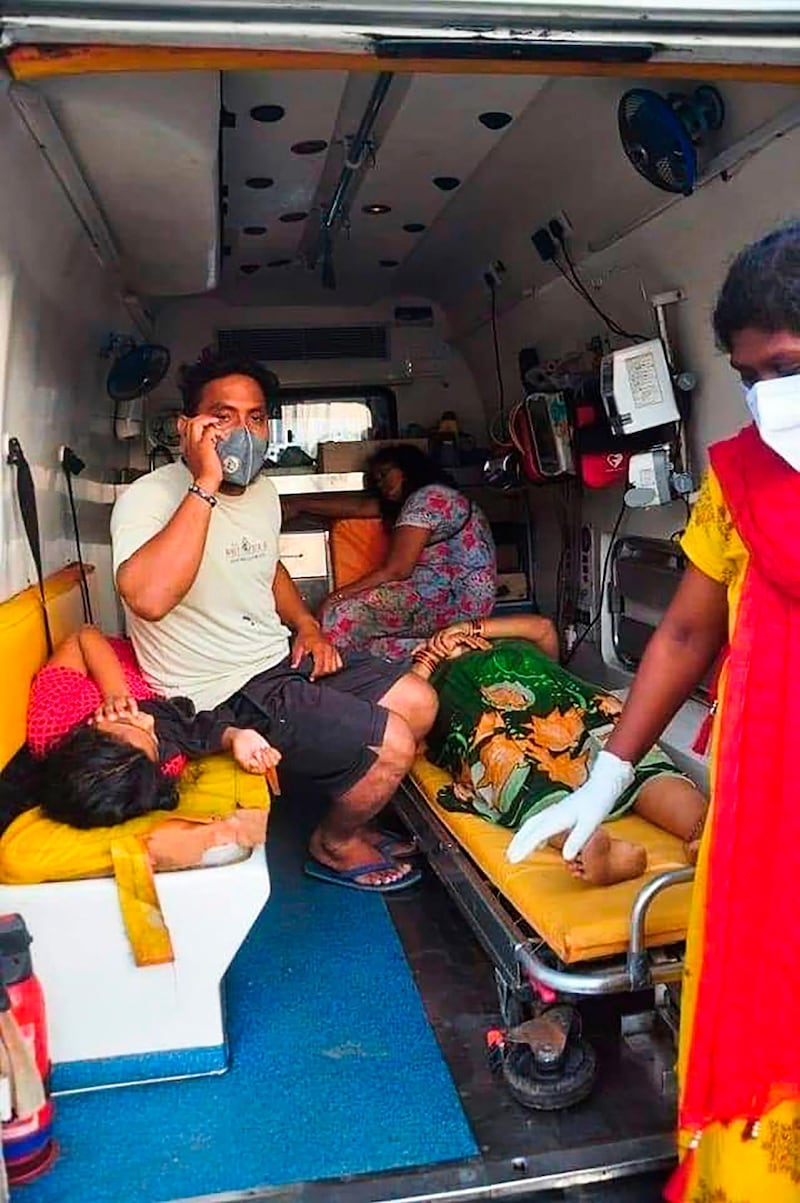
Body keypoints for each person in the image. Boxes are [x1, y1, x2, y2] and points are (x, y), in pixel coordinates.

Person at [506, 223, 800, 1203]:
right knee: (753, 1002)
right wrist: (605, 773)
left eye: (786, 366)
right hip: (766, 804)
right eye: (750, 375)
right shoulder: (739, 479)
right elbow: (681, 633)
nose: (769, 398)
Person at [110, 352, 439, 894]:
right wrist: (205, 483)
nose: (243, 431)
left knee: (419, 701)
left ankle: (347, 804)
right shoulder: (150, 499)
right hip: (218, 690)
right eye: (222, 415)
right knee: (393, 743)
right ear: (187, 427)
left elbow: (267, 563)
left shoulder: (263, 492)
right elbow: (148, 599)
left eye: (256, 417)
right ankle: (332, 845)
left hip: (273, 660)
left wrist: (307, 627)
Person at [409, 614, 706, 887]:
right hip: (491, 725)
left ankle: (704, 834)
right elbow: (408, 726)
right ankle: (590, 846)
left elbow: (542, 628)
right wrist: (428, 659)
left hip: (569, 703)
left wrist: (471, 629)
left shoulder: (512, 647)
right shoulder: (429, 683)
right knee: (520, 775)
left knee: (629, 755)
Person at [25, 624, 278, 841]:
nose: (146, 721)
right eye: (153, 737)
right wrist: (236, 736)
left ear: (87, 731)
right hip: (173, 667)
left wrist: (116, 693)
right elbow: (192, 732)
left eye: (126, 723)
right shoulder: (161, 767)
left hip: (136, 648)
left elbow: (84, 635)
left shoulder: (52, 721)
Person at [284, 443, 496, 659]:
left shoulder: (429, 498)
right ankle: (442, 651)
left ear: (407, 469)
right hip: (461, 601)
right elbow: (360, 508)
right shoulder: (431, 496)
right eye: (377, 480)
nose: (382, 484)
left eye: (385, 474)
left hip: (450, 601)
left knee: (340, 616)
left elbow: (397, 570)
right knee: (372, 641)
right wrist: (299, 504)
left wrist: (336, 597)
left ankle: (335, 678)